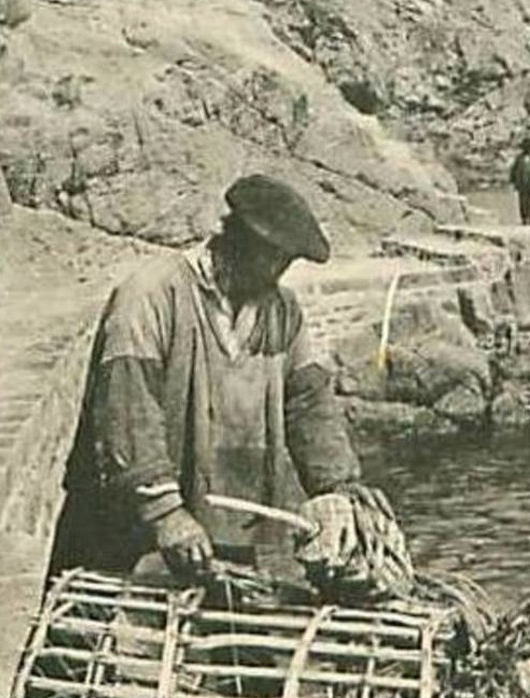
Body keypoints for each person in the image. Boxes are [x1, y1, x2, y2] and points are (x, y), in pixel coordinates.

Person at [44, 173, 396, 588]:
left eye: (283, 262)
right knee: (130, 633)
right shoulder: (151, 295)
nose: (273, 271)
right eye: (265, 256)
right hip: (135, 534)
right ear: (232, 238)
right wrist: (166, 514)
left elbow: (308, 402)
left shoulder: (281, 311)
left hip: (232, 532)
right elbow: (128, 408)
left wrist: (337, 482)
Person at [508, 137, 530, 226]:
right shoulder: (519, 159)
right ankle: (524, 217)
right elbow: (514, 170)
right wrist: (513, 181)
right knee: (523, 201)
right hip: (522, 183)